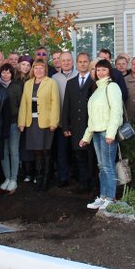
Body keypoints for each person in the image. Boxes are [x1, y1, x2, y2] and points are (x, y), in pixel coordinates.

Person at [79, 59, 123, 211]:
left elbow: (117, 111)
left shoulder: (112, 87)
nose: (100, 72)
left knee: (108, 166)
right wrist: (86, 137)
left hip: (106, 132)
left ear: (109, 71)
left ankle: (110, 198)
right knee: (101, 166)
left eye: (104, 69)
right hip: (96, 133)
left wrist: (111, 133)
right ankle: (103, 196)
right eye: (98, 70)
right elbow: (93, 117)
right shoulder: (97, 89)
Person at [18, 58, 59, 191]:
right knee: (36, 152)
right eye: (36, 67)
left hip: (46, 122)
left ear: (45, 69)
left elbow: (55, 103)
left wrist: (54, 122)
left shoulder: (51, 82)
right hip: (32, 122)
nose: (38, 70)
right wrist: (21, 122)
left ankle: (46, 179)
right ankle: (38, 178)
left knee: (46, 150)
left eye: (41, 68)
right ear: (32, 70)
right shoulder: (28, 84)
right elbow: (24, 103)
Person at [62, 52, 97, 194]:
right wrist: (65, 125)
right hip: (75, 126)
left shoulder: (94, 82)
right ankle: (83, 183)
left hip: (91, 125)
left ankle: (94, 184)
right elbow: (66, 106)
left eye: (85, 61)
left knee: (91, 156)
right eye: (80, 62)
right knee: (79, 155)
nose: (82, 64)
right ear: (76, 64)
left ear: (89, 63)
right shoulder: (70, 83)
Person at [51, 51, 77, 187]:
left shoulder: (79, 75)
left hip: (77, 121)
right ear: (59, 63)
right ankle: (63, 177)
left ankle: (78, 177)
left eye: (68, 60)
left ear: (72, 61)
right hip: (61, 121)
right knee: (62, 151)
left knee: (77, 151)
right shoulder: (54, 78)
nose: (66, 63)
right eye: (63, 61)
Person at [0, 63, 22, 193]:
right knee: (3, 151)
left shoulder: (16, 87)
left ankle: (14, 178)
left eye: (8, 72)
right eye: (3, 72)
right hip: (0, 124)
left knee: (14, 150)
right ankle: (7, 177)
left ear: (12, 74)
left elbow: (21, 106)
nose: (5, 74)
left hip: (13, 123)